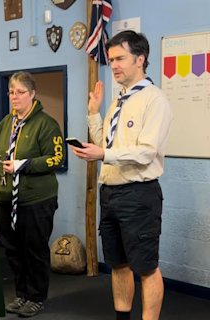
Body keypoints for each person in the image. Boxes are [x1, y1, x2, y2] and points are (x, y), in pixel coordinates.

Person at [70, 30, 172, 320]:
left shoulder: (155, 100)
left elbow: (146, 152)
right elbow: (107, 144)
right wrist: (93, 113)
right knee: (118, 264)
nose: (113, 65)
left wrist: (102, 155)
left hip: (139, 195)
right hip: (111, 192)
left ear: (140, 59)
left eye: (120, 58)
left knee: (146, 267)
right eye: (111, 59)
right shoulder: (118, 102)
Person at [0, 71, 65, 318]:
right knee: (13, 251)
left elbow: (57, 158)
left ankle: (36, 297)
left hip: (35, 201)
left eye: (20, 92)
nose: (14, 97)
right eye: (11, 92)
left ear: (32, 94)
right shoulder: (7, 122)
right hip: (7, 198)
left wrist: (23, 164)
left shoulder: (46, 124)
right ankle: (22, 294)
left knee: (34, 250)